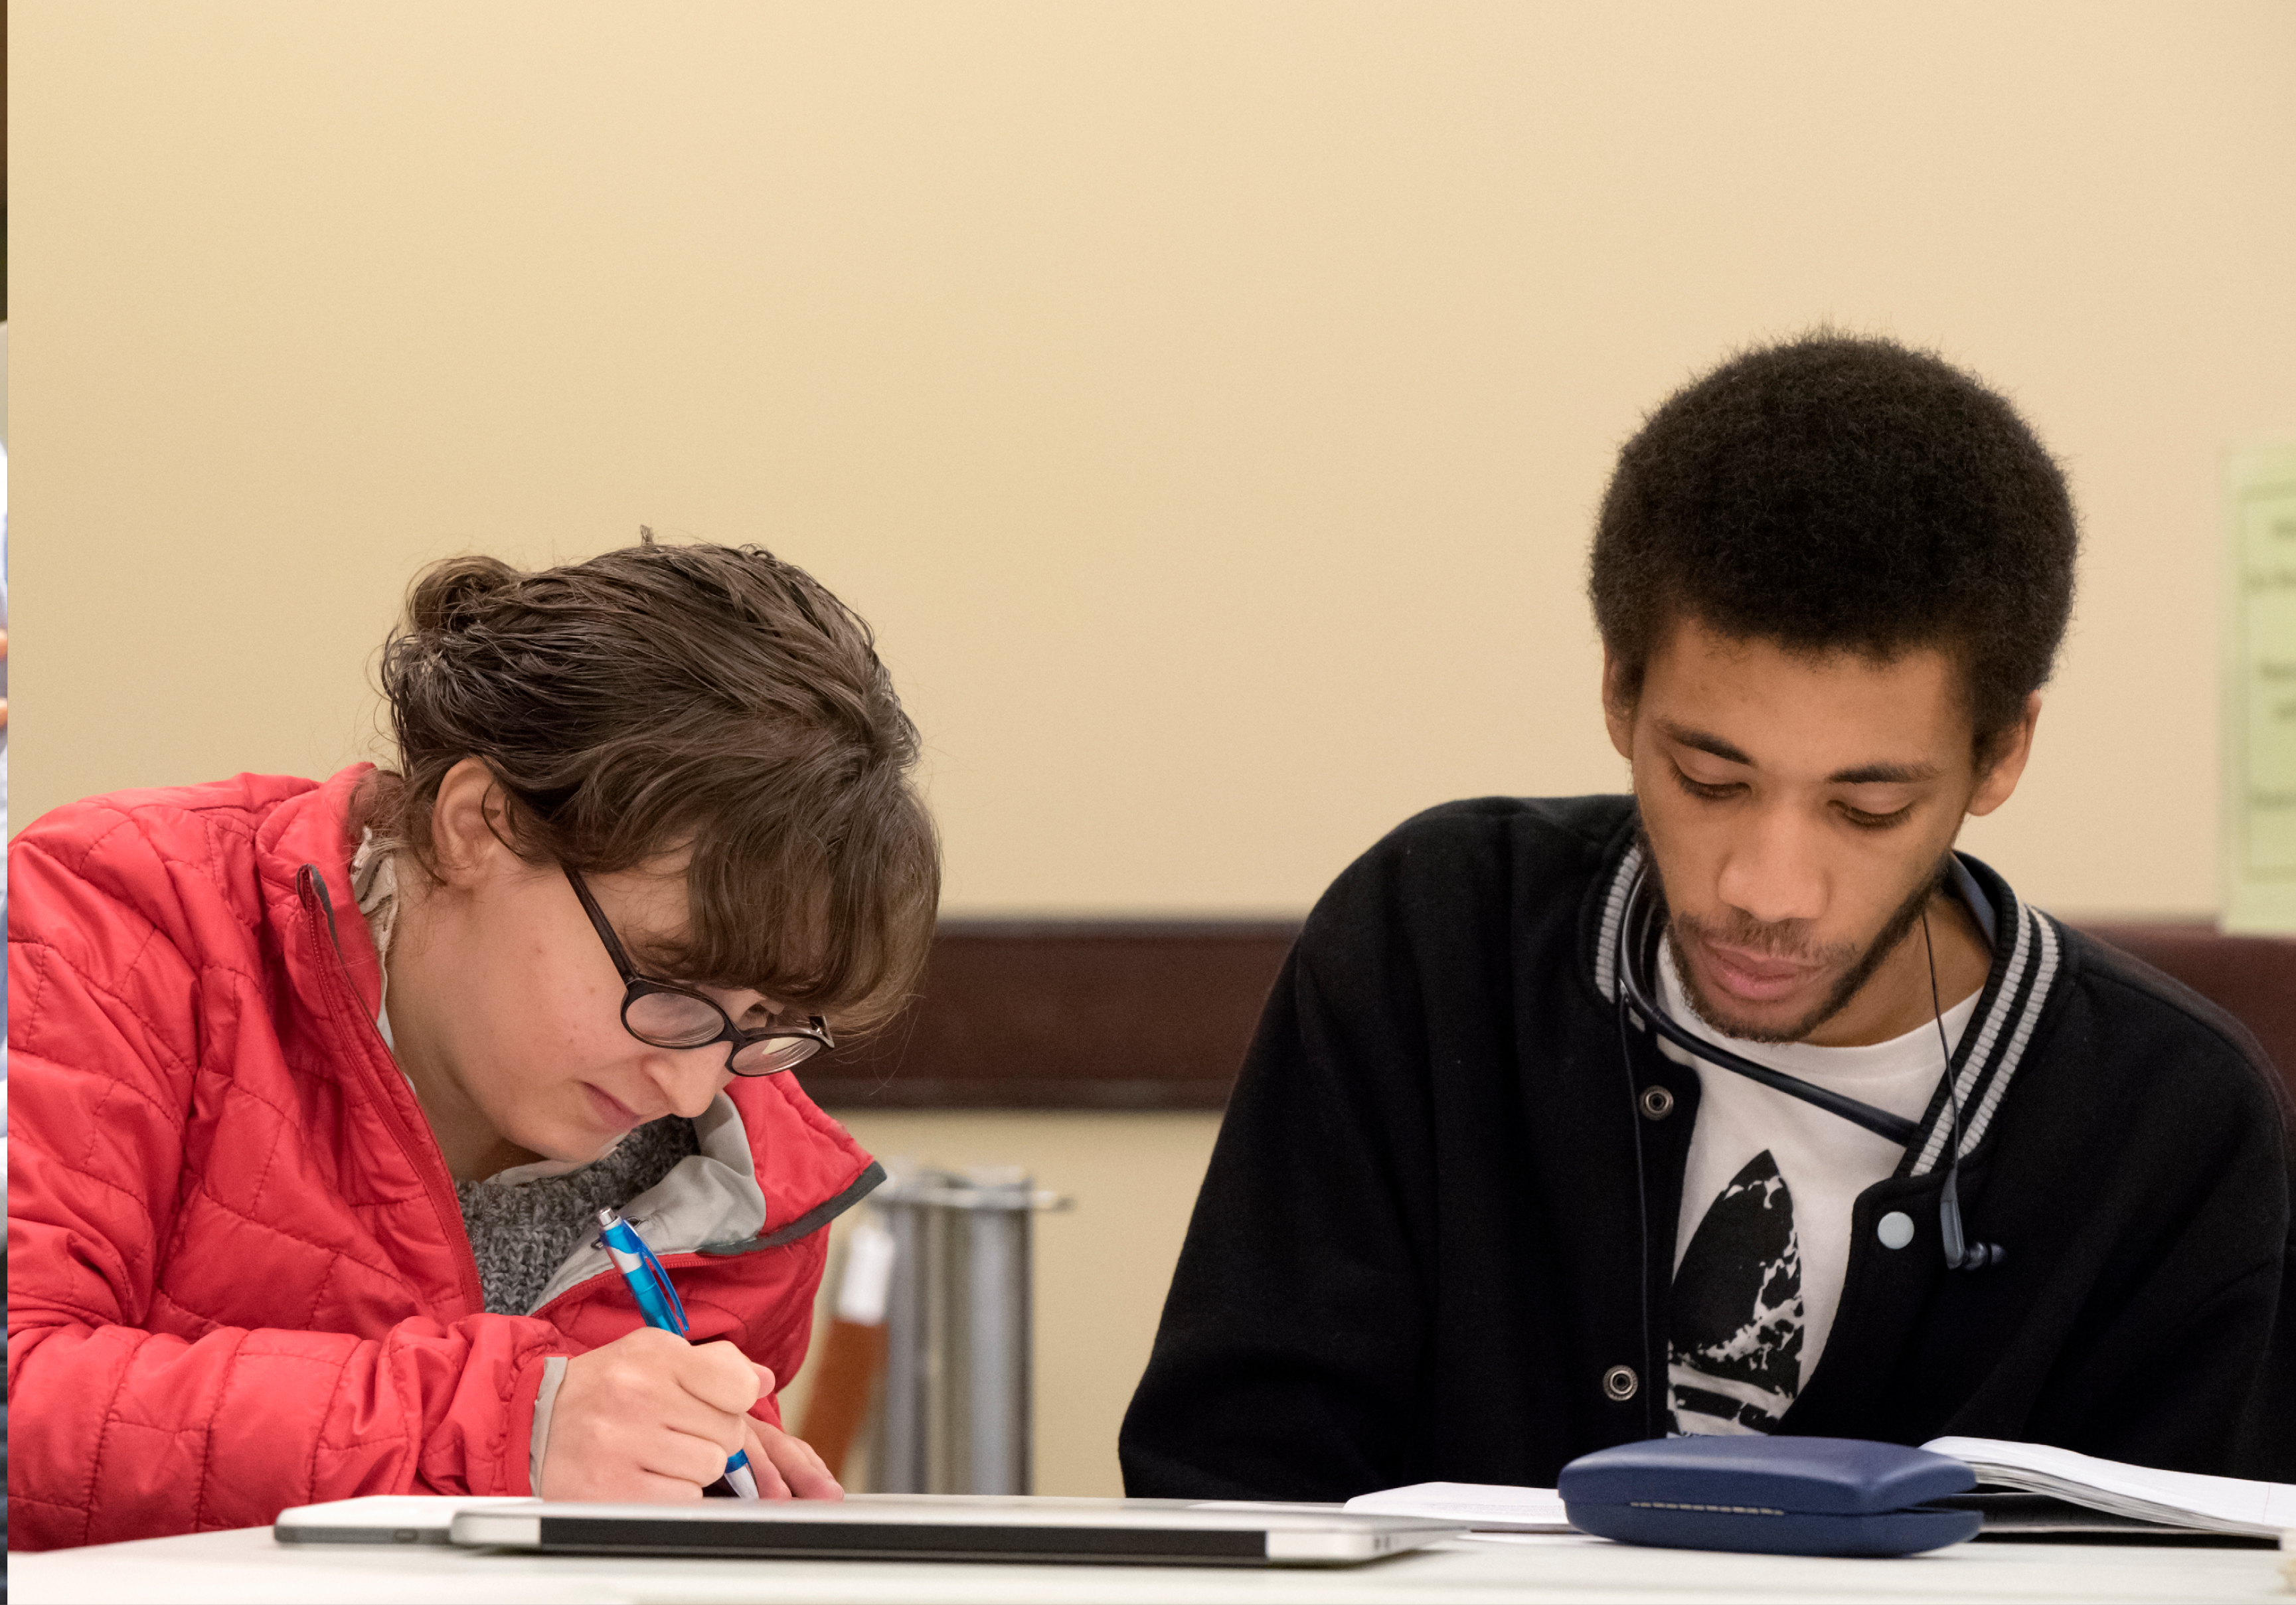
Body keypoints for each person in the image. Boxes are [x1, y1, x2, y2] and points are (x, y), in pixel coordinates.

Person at [1119, 334, 2296, 1498]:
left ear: (1998, 757)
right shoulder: (1437, 941)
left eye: (1866, 805)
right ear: (1620, 692)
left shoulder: (2166, 1124)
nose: (1765, 889)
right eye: (1709, 782)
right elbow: (1226, 1490)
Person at [7, 538, 940, 1548]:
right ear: (478, 825)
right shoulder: (114, 925)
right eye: (667, 983)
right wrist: (511, 1430)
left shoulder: (743, 1190)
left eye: (758, 1025)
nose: (688, 1083)